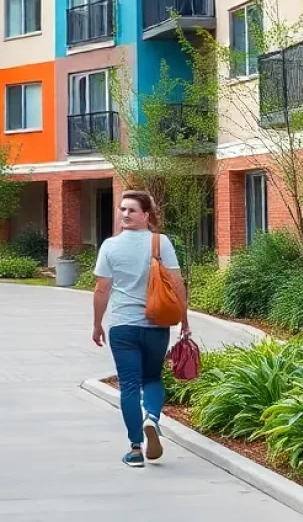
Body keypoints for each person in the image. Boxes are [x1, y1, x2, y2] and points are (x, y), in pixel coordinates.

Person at [92, 190, 190, 468]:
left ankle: (135, 449)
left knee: (130, 386)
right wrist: (184, 319)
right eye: (122, 209)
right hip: (156, 324)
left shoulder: (110, 246)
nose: (124, 214)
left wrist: (97, 323)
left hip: (123, 326)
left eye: (131, 210)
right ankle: (153, 419)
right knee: (152, 379)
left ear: (147, 214)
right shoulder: (161, 243)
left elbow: (102, 289)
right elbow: (176, 282)